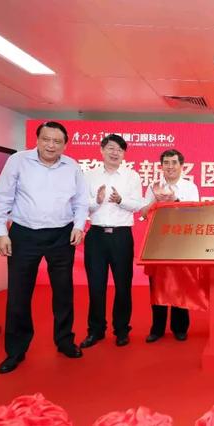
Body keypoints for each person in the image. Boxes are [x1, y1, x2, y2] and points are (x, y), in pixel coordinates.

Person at [0, 121, 88, 374]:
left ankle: (64, 340)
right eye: (46, 139)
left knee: (63, 292)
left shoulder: (72, 166)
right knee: (19, 294)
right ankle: (16, 350)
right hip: (24, 234)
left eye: (57, 141)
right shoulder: (18, 161)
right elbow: (1, 198)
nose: (51, 145)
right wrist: (1, 233)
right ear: (37, 140)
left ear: (65, 145)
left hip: (61, 234)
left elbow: (80, 201)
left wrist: (79, 226)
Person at [80, 134, 145, 349]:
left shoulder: (131, 176)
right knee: (96, 286)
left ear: (124, 154)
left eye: (119, 149)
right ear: (102, 150)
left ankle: (122, 330)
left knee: (123, 286)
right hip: (96, 236)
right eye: (110, 148)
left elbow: (138, 205)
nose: (115, 153)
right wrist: (96, 201)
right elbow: (81, 204)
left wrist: (121, 200)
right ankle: (95, 331)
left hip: (121, 236)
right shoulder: (89, 175)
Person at [142, 149, 199, 343]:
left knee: (180, 285)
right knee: (158, 285)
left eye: (174, 162)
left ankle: (180, 327)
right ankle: (157, 328)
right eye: (166, 163)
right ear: (161, 166)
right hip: (158, 242)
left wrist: (175, 201)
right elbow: (144, 213)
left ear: (181, 166)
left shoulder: (190, 187)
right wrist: (155, 201)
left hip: (181, 243)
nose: (170, 166)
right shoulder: (154, 186)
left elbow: (196, 214)